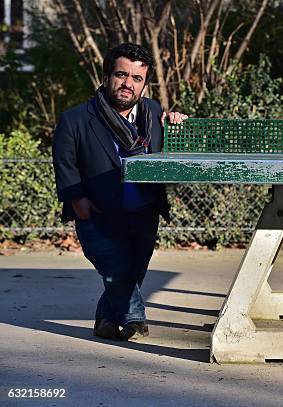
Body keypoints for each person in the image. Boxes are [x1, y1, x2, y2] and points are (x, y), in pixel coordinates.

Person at [52, 43, 188, 341]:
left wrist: (177, 124)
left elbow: (170, 151)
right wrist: (79, 202)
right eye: (121, 74)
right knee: (116, 270)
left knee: (131, 271)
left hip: (144, 212)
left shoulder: (153, 112)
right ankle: (135, 320)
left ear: (144, 84)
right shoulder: (75, 119)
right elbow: (65, 163)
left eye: (136, 78)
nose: (128, 83)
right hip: (98, 214)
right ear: (107, 76)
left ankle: (106, 320)